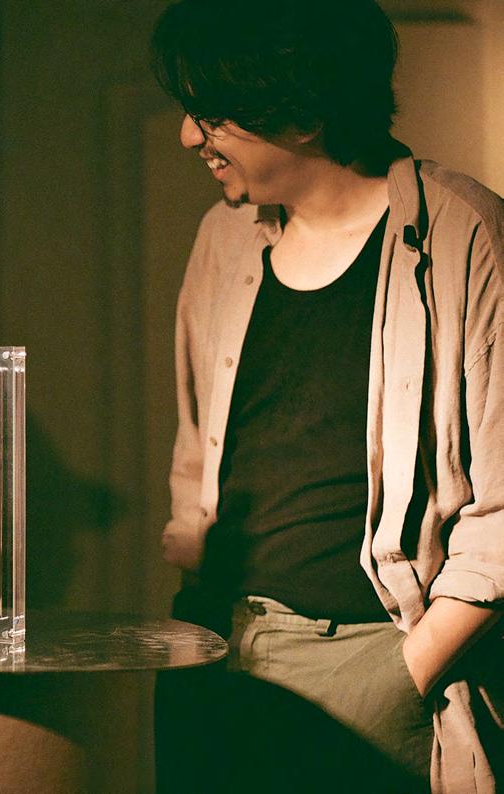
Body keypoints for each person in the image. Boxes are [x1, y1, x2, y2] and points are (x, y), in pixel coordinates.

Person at [151, 1, 502, 792]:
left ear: (303, 114)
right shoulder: (223, 237)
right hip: (217, 650)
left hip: (373, 660)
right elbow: (197, 446)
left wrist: (399, 676)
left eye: (210, 114)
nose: (186, 137)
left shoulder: (463, 234)